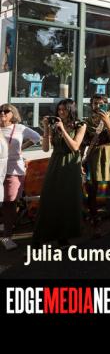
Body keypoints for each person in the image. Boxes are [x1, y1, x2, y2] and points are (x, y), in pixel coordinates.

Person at [32, 99, 86, 247]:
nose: (61, 112)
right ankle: (42, 236)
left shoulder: (80, 125)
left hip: (70, 164)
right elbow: (45, 149)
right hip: (55, 162)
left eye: (64, 109)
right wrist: (46, 128)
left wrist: (62, 130)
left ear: (71, 110)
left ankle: (64, 237)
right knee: (49, 198)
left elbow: (75, 147)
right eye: (59, 109)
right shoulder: (54, 125)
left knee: (67, 200)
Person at [83, 94, 110, 237]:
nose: (97, 106)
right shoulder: (87, 121)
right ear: (91, 105)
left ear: (106, 104)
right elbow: (84, 142)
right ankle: (96, 224)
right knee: (93, 191)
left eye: (101, 103)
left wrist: (107, 122)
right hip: (95, 156)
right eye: (95, 103)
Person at [0, 104, 41, 251]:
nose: (2, 113)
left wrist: (21, 148)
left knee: (10, 203)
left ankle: (7, 236)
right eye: (0, 111)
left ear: (13, 114)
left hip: (14, 171)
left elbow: (37, 138)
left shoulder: (20, 128)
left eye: (6, 111)